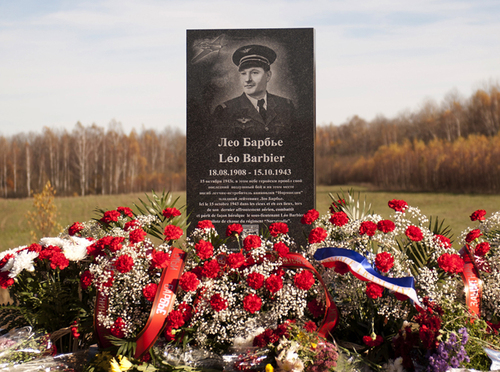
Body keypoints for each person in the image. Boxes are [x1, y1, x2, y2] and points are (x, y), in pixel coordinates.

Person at [212, 44, 296, 137]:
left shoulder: (286, 106)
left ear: (268, 76)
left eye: (254, 73)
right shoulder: (225, 111)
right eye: (243, 73)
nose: (247, 79)